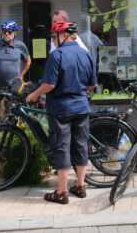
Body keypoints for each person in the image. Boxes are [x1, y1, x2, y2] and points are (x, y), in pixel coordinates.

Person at [26, 21, 96, 204]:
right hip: (81, 107)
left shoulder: (57, 55)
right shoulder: (86, 55)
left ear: (62, 35)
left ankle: (61, 192)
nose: (52, 40)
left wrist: (33, 95)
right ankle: (80, 186)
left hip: (61, 109)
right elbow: (92, 84)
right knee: (81, 145)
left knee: (62, 147)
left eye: (53, 37)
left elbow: (49, 84)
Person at [0, 20, 31, 88]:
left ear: (15, 33)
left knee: (16, 98)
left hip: (15, 84)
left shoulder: (21, 45)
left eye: (9, 32)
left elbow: (28, 61)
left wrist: (21, 75)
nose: (6, 34)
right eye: (4, 31)